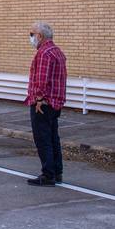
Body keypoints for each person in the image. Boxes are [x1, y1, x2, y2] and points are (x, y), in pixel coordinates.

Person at [24, 22, 67, 187]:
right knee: (53, 137)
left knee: (43, 138)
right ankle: (57, 171)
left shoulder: (44, 53)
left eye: (32, 34)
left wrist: (39, 99)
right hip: (56, 102)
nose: (31, 38)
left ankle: (48, 174)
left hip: (43, 103)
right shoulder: (57, 52)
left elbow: (42, 80)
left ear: (40, 36)